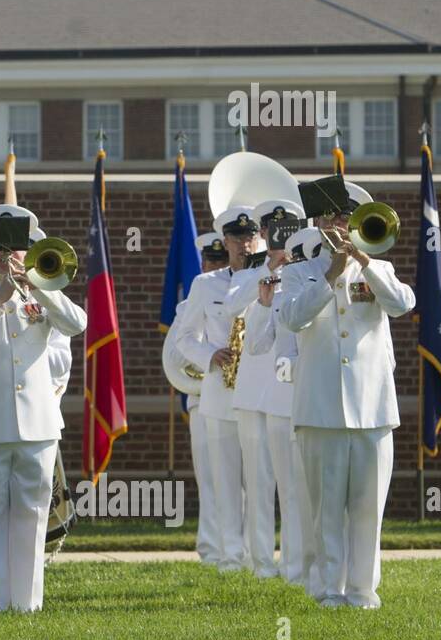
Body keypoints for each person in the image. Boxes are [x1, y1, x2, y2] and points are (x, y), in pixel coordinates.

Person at [0, 208, 86, 612]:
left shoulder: (43, 289)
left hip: (37, 425)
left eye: (18, 246)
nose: (8, 256)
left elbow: (77, 324)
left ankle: (27, 605)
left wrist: (39, 289)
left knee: (32, 515)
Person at [279, 182, 414, 608]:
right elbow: (293, 319)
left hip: (373, 408)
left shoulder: (381, 267)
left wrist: (364, 263)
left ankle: (362, 590)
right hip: (321, 408)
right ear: (318, 222)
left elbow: (401, 304)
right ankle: (327, 589)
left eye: (348, 217)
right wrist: (332, 272)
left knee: (368, 508)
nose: (342, 224)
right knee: (324, 511)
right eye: (335, 216)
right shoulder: (299, 272)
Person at [176, 206, 262, 572]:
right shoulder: (205, 285)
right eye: (237, 238)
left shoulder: (271, 278)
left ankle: (260, 558)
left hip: (260, 393)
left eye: (250, 236)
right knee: (225, 481)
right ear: (225, 241)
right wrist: (210, 355)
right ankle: (230, 556)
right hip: (220, 392)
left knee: (261, 480)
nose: (245, 244)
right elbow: (183, 337)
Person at [242, 200, 306, 584]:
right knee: (287, 489)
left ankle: (320, 569)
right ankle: (295, 570)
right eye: (276, 232)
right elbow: (255, 344)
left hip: (319, 397)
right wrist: (266, 299)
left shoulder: (314, 271)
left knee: (315, 491)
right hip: (281, 402)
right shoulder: (264, 277)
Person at [166, 231, 228, 566]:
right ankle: (210, 550)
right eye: (212, 259)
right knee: (210, 477)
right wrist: (209, 358)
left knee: (243, 479)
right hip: (203, 398)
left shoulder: (245, 291)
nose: (216, 264)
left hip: (238, 397)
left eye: (221, 259)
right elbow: (178, 353)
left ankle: (240, 549)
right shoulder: (190, 303)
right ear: (203, 261)